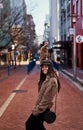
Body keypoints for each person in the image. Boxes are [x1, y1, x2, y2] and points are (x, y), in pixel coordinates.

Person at [25, 43, 60, 130]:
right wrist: (43, 50)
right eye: (43, 67)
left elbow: (47, 98)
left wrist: (38, 109)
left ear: (50, 68)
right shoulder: (47, 75)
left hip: (43, 108)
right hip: (42, 107)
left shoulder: (52, 81)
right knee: (37, 126)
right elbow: (44, 60)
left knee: (29, 124)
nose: (44, 68)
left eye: (46, 67)